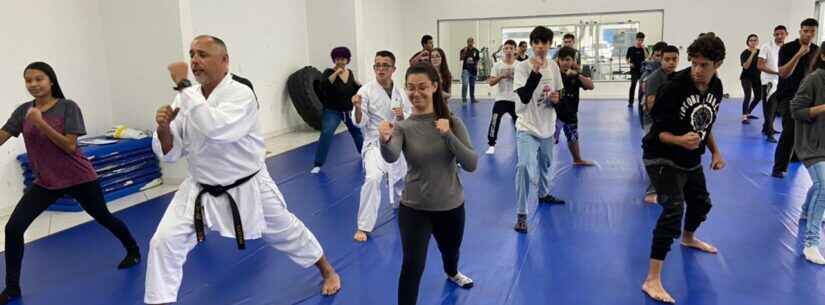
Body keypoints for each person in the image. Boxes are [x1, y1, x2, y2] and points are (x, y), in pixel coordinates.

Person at [144, 35, 341, 305]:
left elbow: (216, 129)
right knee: (163, 242)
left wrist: (182, 86)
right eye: (192, 54)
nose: (195, 60)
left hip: (247, 185)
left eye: (203, 54)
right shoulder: (184, 99)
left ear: (224, 61)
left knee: (287, 231)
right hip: (200, 187)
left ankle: (327, 270)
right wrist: (164, 129)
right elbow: (171, 152)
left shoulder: (240, 94)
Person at [0, 62, 140, 304]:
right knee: (13, 228)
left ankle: (133, 250)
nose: (33, 84)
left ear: (50, 81)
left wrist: (40, 123)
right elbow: (2, 137)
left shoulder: (68, 107)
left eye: (39, 79)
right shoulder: (23, 111)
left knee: (103, 217)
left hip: (78, 177)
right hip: (46, 181)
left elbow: (70, 146)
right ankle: (12, 288)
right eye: (28, 80)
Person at [380, 63, 478, 305]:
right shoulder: (403, 126)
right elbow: (391, 155)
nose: (416, 93)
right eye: (411, 88)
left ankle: (452, 272)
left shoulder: (452, 122)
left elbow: (471, 163)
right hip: (414, 207)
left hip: (450, 206)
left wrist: (447, 135)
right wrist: (383, 139)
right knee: (412, 265)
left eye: (422, 87)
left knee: (450, 252)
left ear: (434, 87)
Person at [641, 34, 727, 304]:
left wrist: (714, 151)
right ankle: (651, 279)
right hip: (660, 157)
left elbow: (706, 121)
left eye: (704, 65)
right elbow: (657, 134)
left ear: (718, 64)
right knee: (673, 210)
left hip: (690, 159)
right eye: (694, 63)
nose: (698, 70)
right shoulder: (674, 87)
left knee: (701, 204)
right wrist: (680, 139)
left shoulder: (716, 86)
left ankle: (688, 238)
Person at [351, 51, 411, 242]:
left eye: (386, 65)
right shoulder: (365, 91)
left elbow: (409, 119)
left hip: (397, 141)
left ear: (394, 69)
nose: (381, 69)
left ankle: (400, 204)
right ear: (374, 68)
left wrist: (402, 115)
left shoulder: (401, 92)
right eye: (377, 65)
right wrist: (358, 108)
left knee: (403, 178)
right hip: (375, 143)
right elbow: (360, 123)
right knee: (373, 178)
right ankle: (364, 226)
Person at [512, 26, 565, 233]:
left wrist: (555, 100)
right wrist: (535, 72)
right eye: (537, 43)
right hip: (526, 125)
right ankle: (521, 213)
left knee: (546, 163)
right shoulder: (522, 67)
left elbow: (558, 94)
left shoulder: (553, 66)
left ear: (550, 45)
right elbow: (524, 96)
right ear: (532, 45)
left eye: (545, 43)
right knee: (524, 166)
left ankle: (543, 194)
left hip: (547, 126)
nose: (541, 46)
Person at [773, 18, 819, 178]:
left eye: (812, 31)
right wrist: (798, 55)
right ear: (800, 31)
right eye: (805, 31)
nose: (808, 34)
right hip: (788, 95)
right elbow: (783, 73)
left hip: (807, 97)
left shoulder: (817, 50)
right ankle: (778, 167)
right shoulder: (787, 48)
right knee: (790, 130)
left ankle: (795, 157)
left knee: (806, 129)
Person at [791, 46, 825, 264]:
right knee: (824, 185)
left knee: (821, 183)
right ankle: (811, 243)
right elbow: (796, 110)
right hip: (811, 145)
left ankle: (805, 210)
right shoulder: (813, 80)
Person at [311, 46, 364, 174]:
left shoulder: (350, 73)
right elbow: (323, 85)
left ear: (347, 60)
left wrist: (359, 86)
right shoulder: (328, 72)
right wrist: (336, 73)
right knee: (327, 133)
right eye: (338, 59)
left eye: (343, 59)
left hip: (348, 110)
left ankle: (366, 156)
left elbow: (352, 89)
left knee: (357, 132)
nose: (340, 61)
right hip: (332, 111)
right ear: (334, 60)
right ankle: (318, 164)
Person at [642, 45, 680, 204]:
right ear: (661, 60)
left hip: (671, 122)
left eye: (674, 59)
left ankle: (669, 185)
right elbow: (651, 104)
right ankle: (651, 190)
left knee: (671, 155)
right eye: (667, 59)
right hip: (654, 122)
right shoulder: (653, 78)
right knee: (656, 156)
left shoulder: (679, 77)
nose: (671, 62)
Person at [553, 46, 594, 166]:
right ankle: (538, 164)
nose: (566, 62)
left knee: (573, 137)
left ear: (573, 61)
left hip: (570, 112)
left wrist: (576, 75)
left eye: (568, 59)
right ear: (558, 60)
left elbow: (591, 86)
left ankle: (577, 159)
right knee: (549, 140)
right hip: (555, 113)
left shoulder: (576, 74)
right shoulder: (553, 74)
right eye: (563, 60)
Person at [486, 40, 519, 155]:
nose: (509, 50)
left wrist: (514, 77)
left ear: (515, 50)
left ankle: (521, 143)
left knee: (519, 124)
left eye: (511, 48)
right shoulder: (497, 65)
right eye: (506, 48)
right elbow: (490, 82)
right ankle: (491, 144)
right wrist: (502, 76)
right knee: (495, 120)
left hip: (515, 99)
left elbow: (525, 83)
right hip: (501, 99)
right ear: (503, 50)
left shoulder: (519, 65)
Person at [759, 25, 788, 142]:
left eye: (782, 34)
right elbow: (760, 65)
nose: (779, 36)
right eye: (777, 34)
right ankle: (769, 133)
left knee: (776, 108)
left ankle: (766, 127)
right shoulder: (767, 46)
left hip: (781, 81)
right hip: (769, 81)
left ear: (787, 34)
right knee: (769, 107)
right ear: (774, 35)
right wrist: (776, 72)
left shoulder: (787, 48)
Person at [638, 41, 669, 126]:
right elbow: (643, 99)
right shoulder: (647, 76)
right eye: (658, 55)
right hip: (652, 120)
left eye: (663, 56)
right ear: (653, 56)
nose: (660, 59)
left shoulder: (672, 74)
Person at [740, 34, 762, 124]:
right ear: (748, 42)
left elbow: (762, 64)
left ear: (757, 42)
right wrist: (752, 54)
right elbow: (746, 66)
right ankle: (744, 117)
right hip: (746, 77)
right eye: (751, 40)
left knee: (758, 96)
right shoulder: (744, 53)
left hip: (756, 77)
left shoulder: (760, 52)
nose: (753, 42)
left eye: (755, 40)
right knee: (748, 95)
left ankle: (748, 112)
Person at [626, 32, 648, 107]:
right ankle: (630, 102)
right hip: (634, 70)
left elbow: (647, 57)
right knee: (633, 85)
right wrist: (629, 63)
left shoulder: (644, 49)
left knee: (642, 87)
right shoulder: (630, 49)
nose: (640, 41)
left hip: (642, 70)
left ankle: (641, 102)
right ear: (636, 39)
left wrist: (644, 48)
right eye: (639, 40)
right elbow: (626, 59)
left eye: (642, 40)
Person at [460, 37, 481, 104]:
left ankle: (472, 99)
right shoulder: (463, 50)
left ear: (473, 42)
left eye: (471, 41)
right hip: (466, 70)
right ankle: (464, 99)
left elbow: (477, 60)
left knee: (472, 85)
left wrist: (477, 69)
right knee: (465, 84)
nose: (470, 43)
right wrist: (465, 52)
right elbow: (461, 58)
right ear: (467, 42)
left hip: (473, 70)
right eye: (469, 41)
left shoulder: (476, 51)